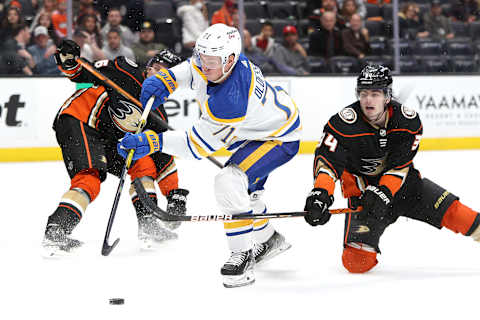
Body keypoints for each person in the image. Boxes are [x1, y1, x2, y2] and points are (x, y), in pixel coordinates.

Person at [117, 23, 301, 288]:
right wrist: (166, 80)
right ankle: (269, 239)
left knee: (228, 181)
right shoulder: (218, 61)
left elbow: (195, 146)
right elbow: (192, 68)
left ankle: (242, 253)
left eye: (211, 61)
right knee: (245, 194)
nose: (204, 66)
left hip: (278, 137)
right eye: (202, 57)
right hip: (260, 124)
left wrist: (153, 141)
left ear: (230, 60)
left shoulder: (231, 102)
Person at [303, 64, 480, 274]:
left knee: (462, 217)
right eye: (364, 93)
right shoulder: (342, 125)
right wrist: (321, 194)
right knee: (355, 262)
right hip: (365, 198)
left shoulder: (407, 121)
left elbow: (399, 167)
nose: (368, 100)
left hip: (406, 189)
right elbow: (328, 164)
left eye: (375, 94)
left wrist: (385, 192)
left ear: (387, 96)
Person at [41, 40, 189, 255]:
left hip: (106, 137)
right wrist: (71, 62)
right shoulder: (126, 70)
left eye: (166, 75)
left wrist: (175, 195)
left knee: (143, 162)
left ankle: (148, 225)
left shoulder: (157, 114)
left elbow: (162, 154)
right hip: (80, 118)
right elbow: (87, 72)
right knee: (89, 177)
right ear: (147, 67)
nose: (158, 76)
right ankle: (56, 230)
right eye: (156, 69)